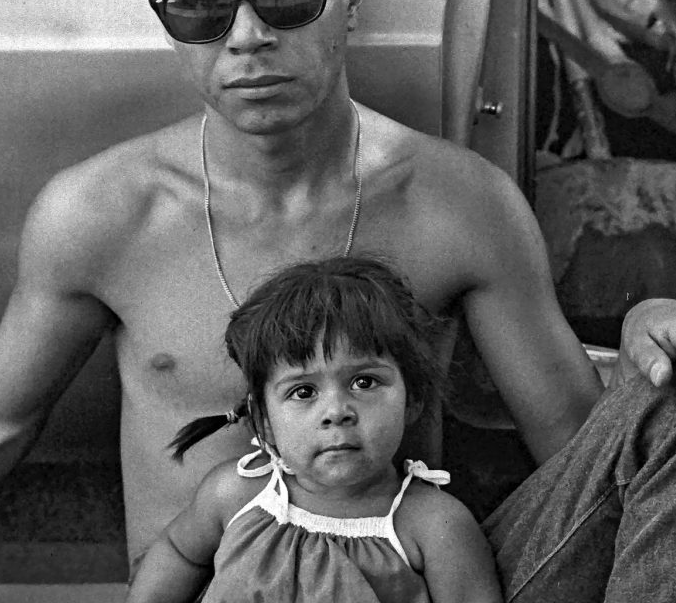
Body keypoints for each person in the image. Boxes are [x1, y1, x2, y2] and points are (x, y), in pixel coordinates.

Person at [0, 0, 676, 600]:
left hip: (409, 582)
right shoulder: (103, 212)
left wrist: (655, 330)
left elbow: (588, 464)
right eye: (199, 7)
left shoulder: (455, 201)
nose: (247, 37)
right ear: (164, 20)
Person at [128, 255, 502, 603]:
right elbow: (179, 553)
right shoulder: (236, 495)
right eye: (304, 391)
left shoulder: (435, 526)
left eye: (365, 382)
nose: (337, 412)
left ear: (413, 400)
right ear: (263, 420)